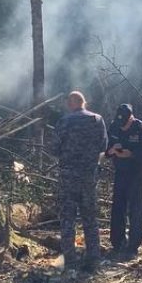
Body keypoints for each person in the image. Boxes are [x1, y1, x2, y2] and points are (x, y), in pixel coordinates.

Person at [52, 91, 108, 269]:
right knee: (90, 217)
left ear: (71, 103)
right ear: (84, 102)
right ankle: (94, 257)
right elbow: (104, 146)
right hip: (88, 177)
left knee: (67, 218)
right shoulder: (97, 120)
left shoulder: (64, 122)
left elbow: (54, 148)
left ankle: (70, 260)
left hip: (68, 177)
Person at [105, 103, 142, 257]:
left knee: (136, 209)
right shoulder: (114, 126)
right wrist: (112, 151)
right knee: (118, 207)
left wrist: (131, 153)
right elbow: (106, 149)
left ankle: (133, 246)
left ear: (131, 118)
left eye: (125, 123)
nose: (123, 127)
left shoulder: (141, 128)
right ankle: (117, 243)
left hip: (136, 173)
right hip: (120, 172)